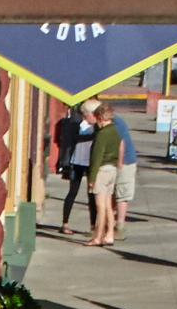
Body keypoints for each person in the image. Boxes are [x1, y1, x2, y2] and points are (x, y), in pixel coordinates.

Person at [87, 102, 127, 246]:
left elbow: (97, 157)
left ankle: (98, 236)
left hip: (102, 170)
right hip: (112, 169)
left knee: (100, 205)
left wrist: (91, 178)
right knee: (108, 205)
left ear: (100, 117)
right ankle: (110, 234)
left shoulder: (102, 134)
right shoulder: (115, 131)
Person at [54, 100, 97, 231]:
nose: (95, 116)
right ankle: (65, 223)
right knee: (73, 191)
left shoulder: (97, 126)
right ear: (86, 114)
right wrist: (92, 136)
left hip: (91, 162)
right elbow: (74, 138)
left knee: (92, 194)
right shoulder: (77, 124)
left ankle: (93, 226)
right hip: (77, 161)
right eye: (93, 113)